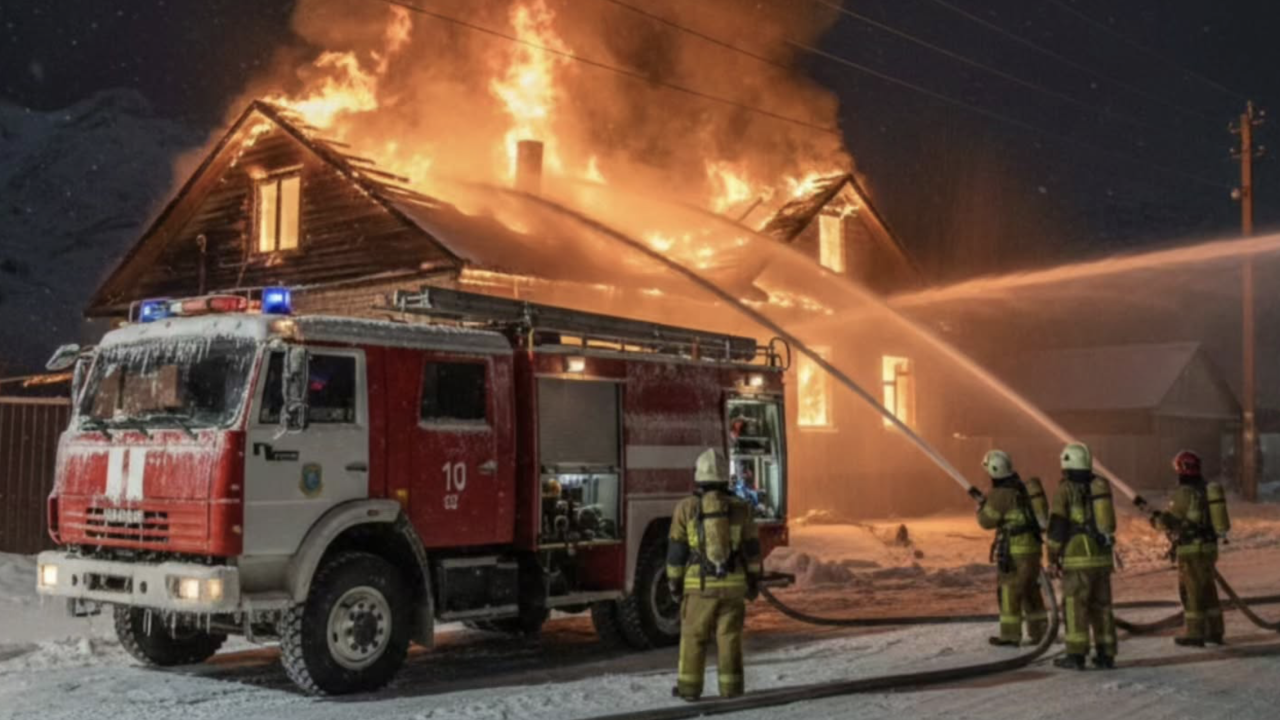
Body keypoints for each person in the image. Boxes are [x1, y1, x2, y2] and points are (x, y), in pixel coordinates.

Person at [666, 448, 763, 701]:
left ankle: (689, 690)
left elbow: (676, 553)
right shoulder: (742, 508)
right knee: (730, 638)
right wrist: (753, 581)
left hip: (699, 587)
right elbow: (752, 550)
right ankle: (731, 689)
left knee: (694, 637)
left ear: (698, 477)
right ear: (724, 478)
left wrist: (674, 584)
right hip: (733, 587)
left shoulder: (686, 508)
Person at [1046, 442, 1118, 670]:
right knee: (1102, 607)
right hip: (1102, 558)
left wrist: (1052, 556)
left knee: (1075, 607)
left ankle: (1076, 655)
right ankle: (1106, 654)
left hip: (1078, 559)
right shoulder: (1098, 487)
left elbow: (1057, 527)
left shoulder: (1065, 490)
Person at [1151, 450, 1230, 647]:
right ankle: (1215, 631)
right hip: (1209, 547)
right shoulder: (1205, 489)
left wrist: (1156, 520)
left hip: (1192, 550)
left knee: (1191, 591)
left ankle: (1195, 633)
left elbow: (1170, 520)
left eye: (1177, 467)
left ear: (1182, 468)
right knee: (1208, 589)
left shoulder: (1184, 492)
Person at [975, 450, 1049, 648]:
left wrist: (981, 507)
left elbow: (986, 521)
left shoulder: (1001, 494)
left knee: (1009, 590)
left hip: (1015, 551)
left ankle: (1010, 636)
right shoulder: (1021, 487)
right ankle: (1040, 631)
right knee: (1030, 589)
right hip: (1032, 548)